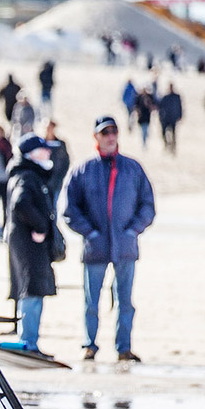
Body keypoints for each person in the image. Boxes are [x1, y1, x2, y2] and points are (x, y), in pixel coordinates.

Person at [63, 115, 156, 362]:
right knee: (92, 301)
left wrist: (133, 230)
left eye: (114, 131)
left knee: (125, 301)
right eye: (105, 132)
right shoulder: (84, 170)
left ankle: (123, 348)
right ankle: (89, 345)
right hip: (95, 247)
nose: (110, 136)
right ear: (96, 136)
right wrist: (90, 232)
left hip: (125, 246)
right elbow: (70, 209)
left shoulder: (133, 168)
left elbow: (147, 205)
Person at [6, 134, 61, 355]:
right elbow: (21, 204)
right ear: (31, 153)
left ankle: (29, 342)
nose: (49, 152)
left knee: (33, 290)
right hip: (28, 245)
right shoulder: (27, 176)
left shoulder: (29, 174)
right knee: (31, 291)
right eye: (44, 149)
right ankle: (28, 343)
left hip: (27, 244)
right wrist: (39, 227)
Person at [41, 119, 70, 207]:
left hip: (56, 181)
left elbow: (66, 162)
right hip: (42, 181)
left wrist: (60, 176)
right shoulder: (40, 143)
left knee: (54, 206)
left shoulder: (60, 144)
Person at [157, 82, 182, 154]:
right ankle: (166, 145)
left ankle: (173, 147)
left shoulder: (176, 97)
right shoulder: (165, 97)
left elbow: (180, 107)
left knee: (174, 133)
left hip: (173, 117)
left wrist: (180, 116)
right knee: (163, 133)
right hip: (165, 118)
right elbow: (160, 106)